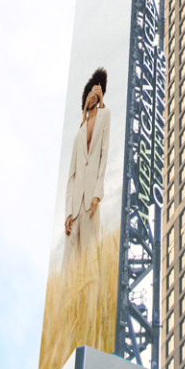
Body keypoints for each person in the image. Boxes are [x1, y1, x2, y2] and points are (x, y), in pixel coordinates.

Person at [64, 68, 111, 264]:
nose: (93, 97)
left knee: (90, 257)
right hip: (75, 207)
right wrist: (67, 211)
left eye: (97, 93)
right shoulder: (79, 133)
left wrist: (97, 194)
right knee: (69, 264)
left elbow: (103, 156)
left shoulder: (104, 116)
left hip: (90, 200)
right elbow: (71, 176)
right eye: (90, 93)